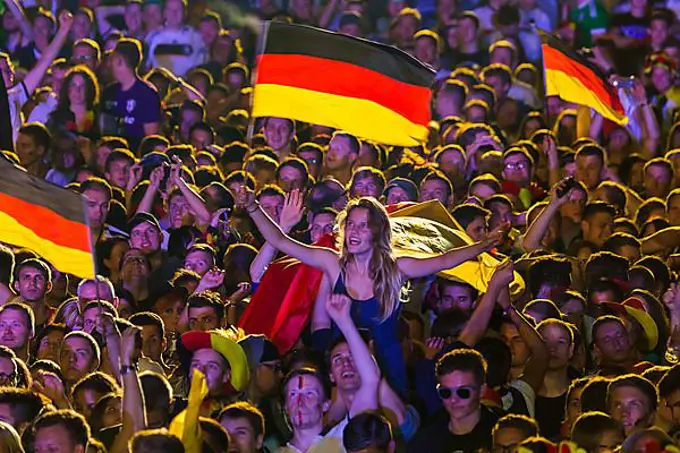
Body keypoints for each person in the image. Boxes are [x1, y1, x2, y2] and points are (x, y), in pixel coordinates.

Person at [237, 187, 502, 394]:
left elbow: (445, 260)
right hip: (343, 369)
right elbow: (280, 241)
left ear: (377, 232)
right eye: (351, 224)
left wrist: (482, 246)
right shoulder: (332, 262)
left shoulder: (397, 268)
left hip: (388, 368)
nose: (354, 231)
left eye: (363, 226)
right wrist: (252, 206)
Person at [408, 348, 500, 452]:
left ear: (482, 390)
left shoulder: (501, 435)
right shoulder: (425, 440)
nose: (453, 400)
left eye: (463, 392)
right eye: (446, 392)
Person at [100, 38, 161, 150]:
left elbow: (151, 138)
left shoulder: (147, 93)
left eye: (112, 59)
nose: (109, 64)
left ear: (119, 61)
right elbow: (105, 132)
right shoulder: (108, 93)